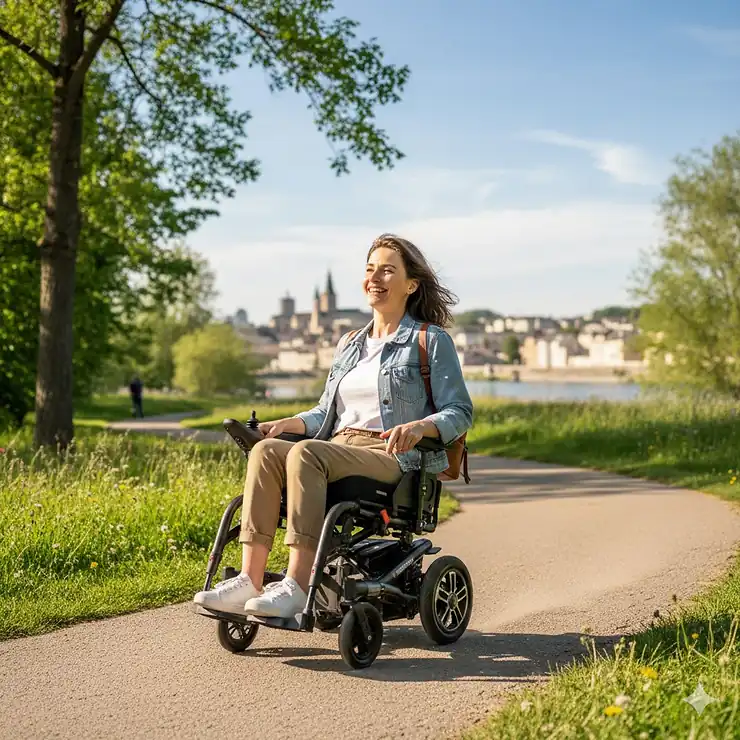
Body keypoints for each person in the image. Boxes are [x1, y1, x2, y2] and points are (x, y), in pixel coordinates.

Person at [194, 234, 473, 619]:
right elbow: (326, 412)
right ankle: (249, 579)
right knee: (265, 450)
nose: (375, 277)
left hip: (388, 453)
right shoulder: (350, 343)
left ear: (411, 285)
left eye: (388, 270)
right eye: (370, 269)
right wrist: (286, 423)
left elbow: (459, 411)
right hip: (338, 446)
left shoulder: (429, 340)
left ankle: (296, 584)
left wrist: (422, 426)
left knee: (307, 453)